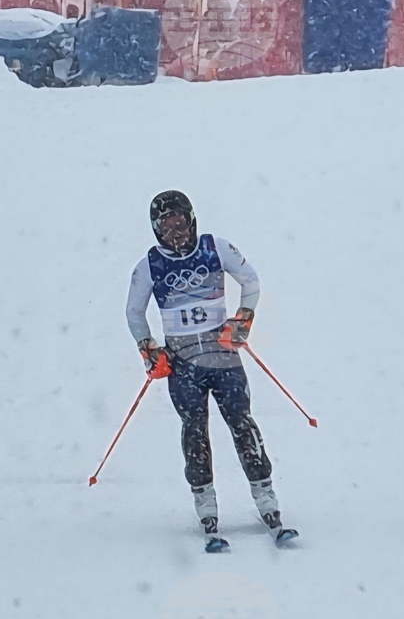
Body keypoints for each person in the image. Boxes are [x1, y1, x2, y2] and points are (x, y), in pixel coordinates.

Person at [125, 190, 298, 553]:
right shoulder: (149, 265)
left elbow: (250, 281)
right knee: (195, 430)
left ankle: (267, 499)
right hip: (183, 362)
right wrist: (149, 349)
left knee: (242, 421)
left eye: (180, 222)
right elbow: (134, 313)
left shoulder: (214, 247)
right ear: (156, 229)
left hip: (222, 356)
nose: (176, 232)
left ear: (191, 219)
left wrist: (242, 320)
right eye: (167, 226)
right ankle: (206, 506)